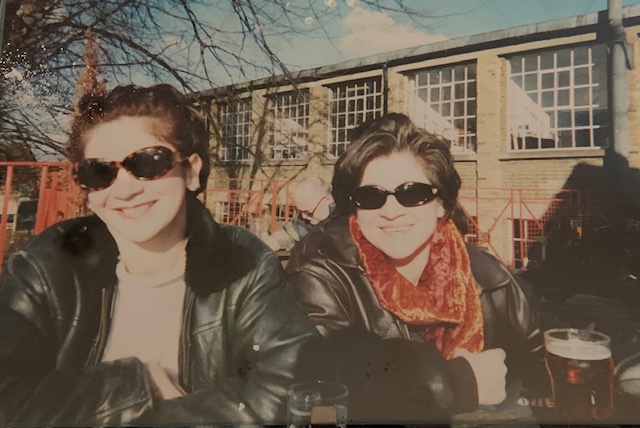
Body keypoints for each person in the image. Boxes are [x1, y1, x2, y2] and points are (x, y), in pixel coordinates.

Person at [0, 84, 317, 426]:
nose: (125, 189)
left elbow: (293, 391)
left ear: (191, 171)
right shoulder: (47, 263)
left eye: (148, 162)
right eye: (100, 171)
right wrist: (139, 383)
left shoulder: (244, 264)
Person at [287, 113, 544, 423]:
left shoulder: (489, 277)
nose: (391, 211)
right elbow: (324, 384)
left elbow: (538, 364)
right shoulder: (322, 273)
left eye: (412, 193)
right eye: (371, 196)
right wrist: (460, 383)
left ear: (441, 204)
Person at [262, 175, 334, 251]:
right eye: (301, 211)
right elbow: (284, 236)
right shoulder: (303, 221)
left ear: (327, 199)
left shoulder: (342, 223)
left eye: (309, 212)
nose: (304, 216)